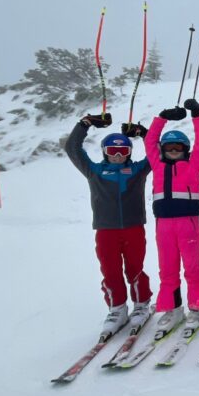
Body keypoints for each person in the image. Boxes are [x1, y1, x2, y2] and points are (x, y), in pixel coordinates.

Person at [64, 113, 152, 336]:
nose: (118, 155)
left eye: (124, 151)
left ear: (130, 153)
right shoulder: (94, 171)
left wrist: (144, 133)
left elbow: (157, 154)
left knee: (135, 268)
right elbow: (72, 148)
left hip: (133, 228)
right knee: (110, 271)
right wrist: (85, 124)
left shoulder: (137, 170)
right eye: (113, 151)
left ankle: (141, 305)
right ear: (105, 152)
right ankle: (117, 309)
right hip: (105, 231)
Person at [144, 98, 199, 334]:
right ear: (162, 151)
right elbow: (149, 140)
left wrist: (197, 117)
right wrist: (162, 117)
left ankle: (197, 306)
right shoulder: (157, 165)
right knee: (167, 269)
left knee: (192, 267)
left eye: (178, 149)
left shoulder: (193, 165)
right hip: (163, 225)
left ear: (185, 150)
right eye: (169, 148)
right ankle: (173, 309)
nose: (173, 152)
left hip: (188, 224)